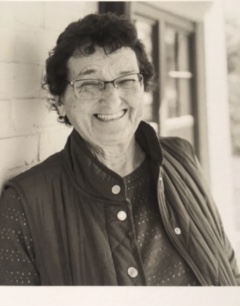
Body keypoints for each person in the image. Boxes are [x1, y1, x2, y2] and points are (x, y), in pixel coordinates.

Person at [0, 12, 239, 286]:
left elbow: (228, 268)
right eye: (89, 83)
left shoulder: (181, 157)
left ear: (142, 86)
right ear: (61, 101)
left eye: (126, 79)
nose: (112, 99)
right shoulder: (25, 204)